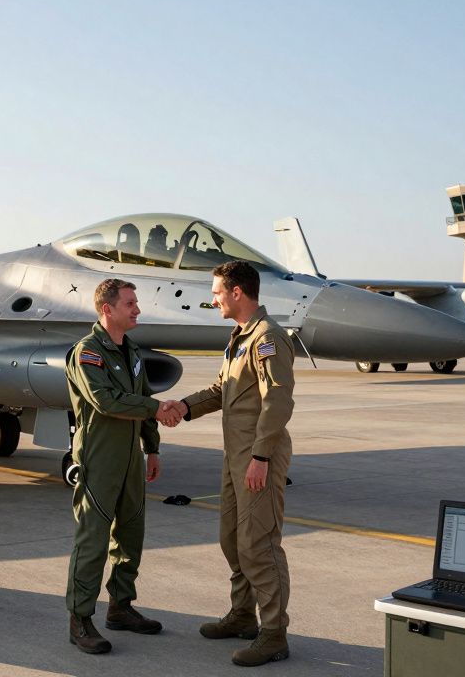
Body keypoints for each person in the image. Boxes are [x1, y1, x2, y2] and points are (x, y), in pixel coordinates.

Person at [175, 260, 296, 666]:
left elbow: (278, 400)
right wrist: (183, 407)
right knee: (231, 538)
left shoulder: (268, 338)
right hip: (236, 456)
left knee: (258, 543)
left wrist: (261, 456)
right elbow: (221, 390)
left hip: (259, 455)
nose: (213, 299)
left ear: (237, 292)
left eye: (217, 292)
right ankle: (243, 615)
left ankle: (274, 633)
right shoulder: (239, 338)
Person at [64, 278, 184, 654]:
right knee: (93, 541)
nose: (137, 309)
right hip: (99, 458)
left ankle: (120, 607)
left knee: (131, 534)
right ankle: (80, 619)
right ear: (107, 309)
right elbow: (105, 400)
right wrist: (155, 410)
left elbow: (143, 396)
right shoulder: (87, 353)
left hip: (131, 457)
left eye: (136, 302)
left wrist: (153, 447)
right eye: (130, 303)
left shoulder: (131, 350)